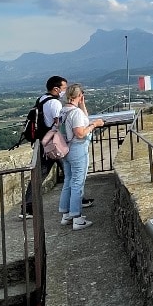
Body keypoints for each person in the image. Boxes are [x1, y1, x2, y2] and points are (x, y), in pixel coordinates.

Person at [58, 83, 104, 230]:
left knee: (68, 181)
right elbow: (80, 132)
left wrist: (82, 105)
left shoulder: (63, 111)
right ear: (79, 95)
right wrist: (95, 125)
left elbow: (82, 119)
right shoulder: (75, 113)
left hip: (65, 149)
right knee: (78, 183)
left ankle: (66, 215)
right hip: (77, 149)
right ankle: (77, 218)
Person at [20, 76, 67, 218]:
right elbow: (59, 123)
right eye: (64, 88)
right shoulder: (55, 104)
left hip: (43, 143)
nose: (65, 91)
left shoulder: (42, 99)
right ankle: (27, 207)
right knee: (70, 172)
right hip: (53, 145)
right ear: (56, 89)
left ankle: (27, 207)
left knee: (40, 175)